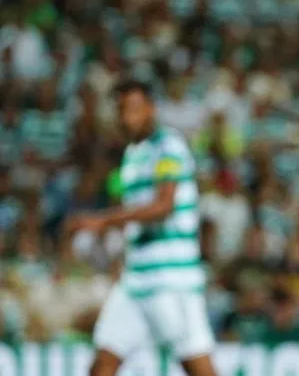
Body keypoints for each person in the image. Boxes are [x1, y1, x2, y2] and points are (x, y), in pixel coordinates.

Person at [66, 79, 218, 376]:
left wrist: (103, 220)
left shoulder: (169, 147)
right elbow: (135, 218)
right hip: (136, 280)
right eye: (122, 110)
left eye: (135, 108)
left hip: (171, 279)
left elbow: (163, 206)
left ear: (151, 108)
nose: (128, 117)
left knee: (197, 366)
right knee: (103, 362)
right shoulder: (133, 154)